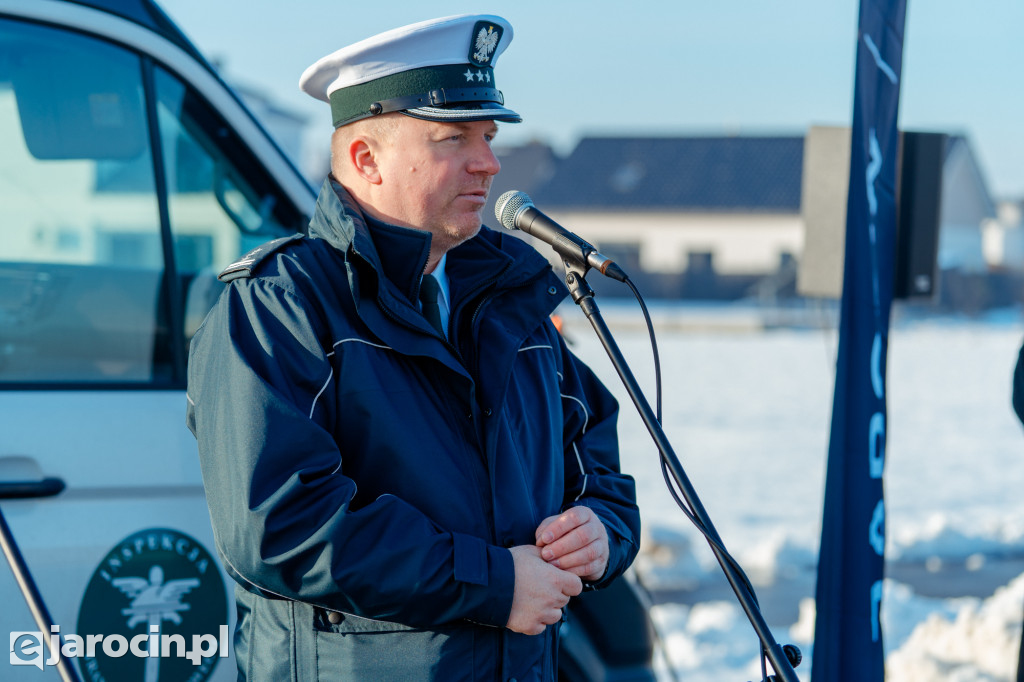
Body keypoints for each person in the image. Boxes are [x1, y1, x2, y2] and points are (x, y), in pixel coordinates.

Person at [185, 14, 640, 681]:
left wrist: (602, 529)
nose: (489, 161)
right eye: (453, 137)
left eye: (487, 136)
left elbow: (591, 451)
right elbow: (280, 525)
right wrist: (493, 582)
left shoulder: (509, 302)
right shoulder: (281, 305)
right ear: (366, 160)